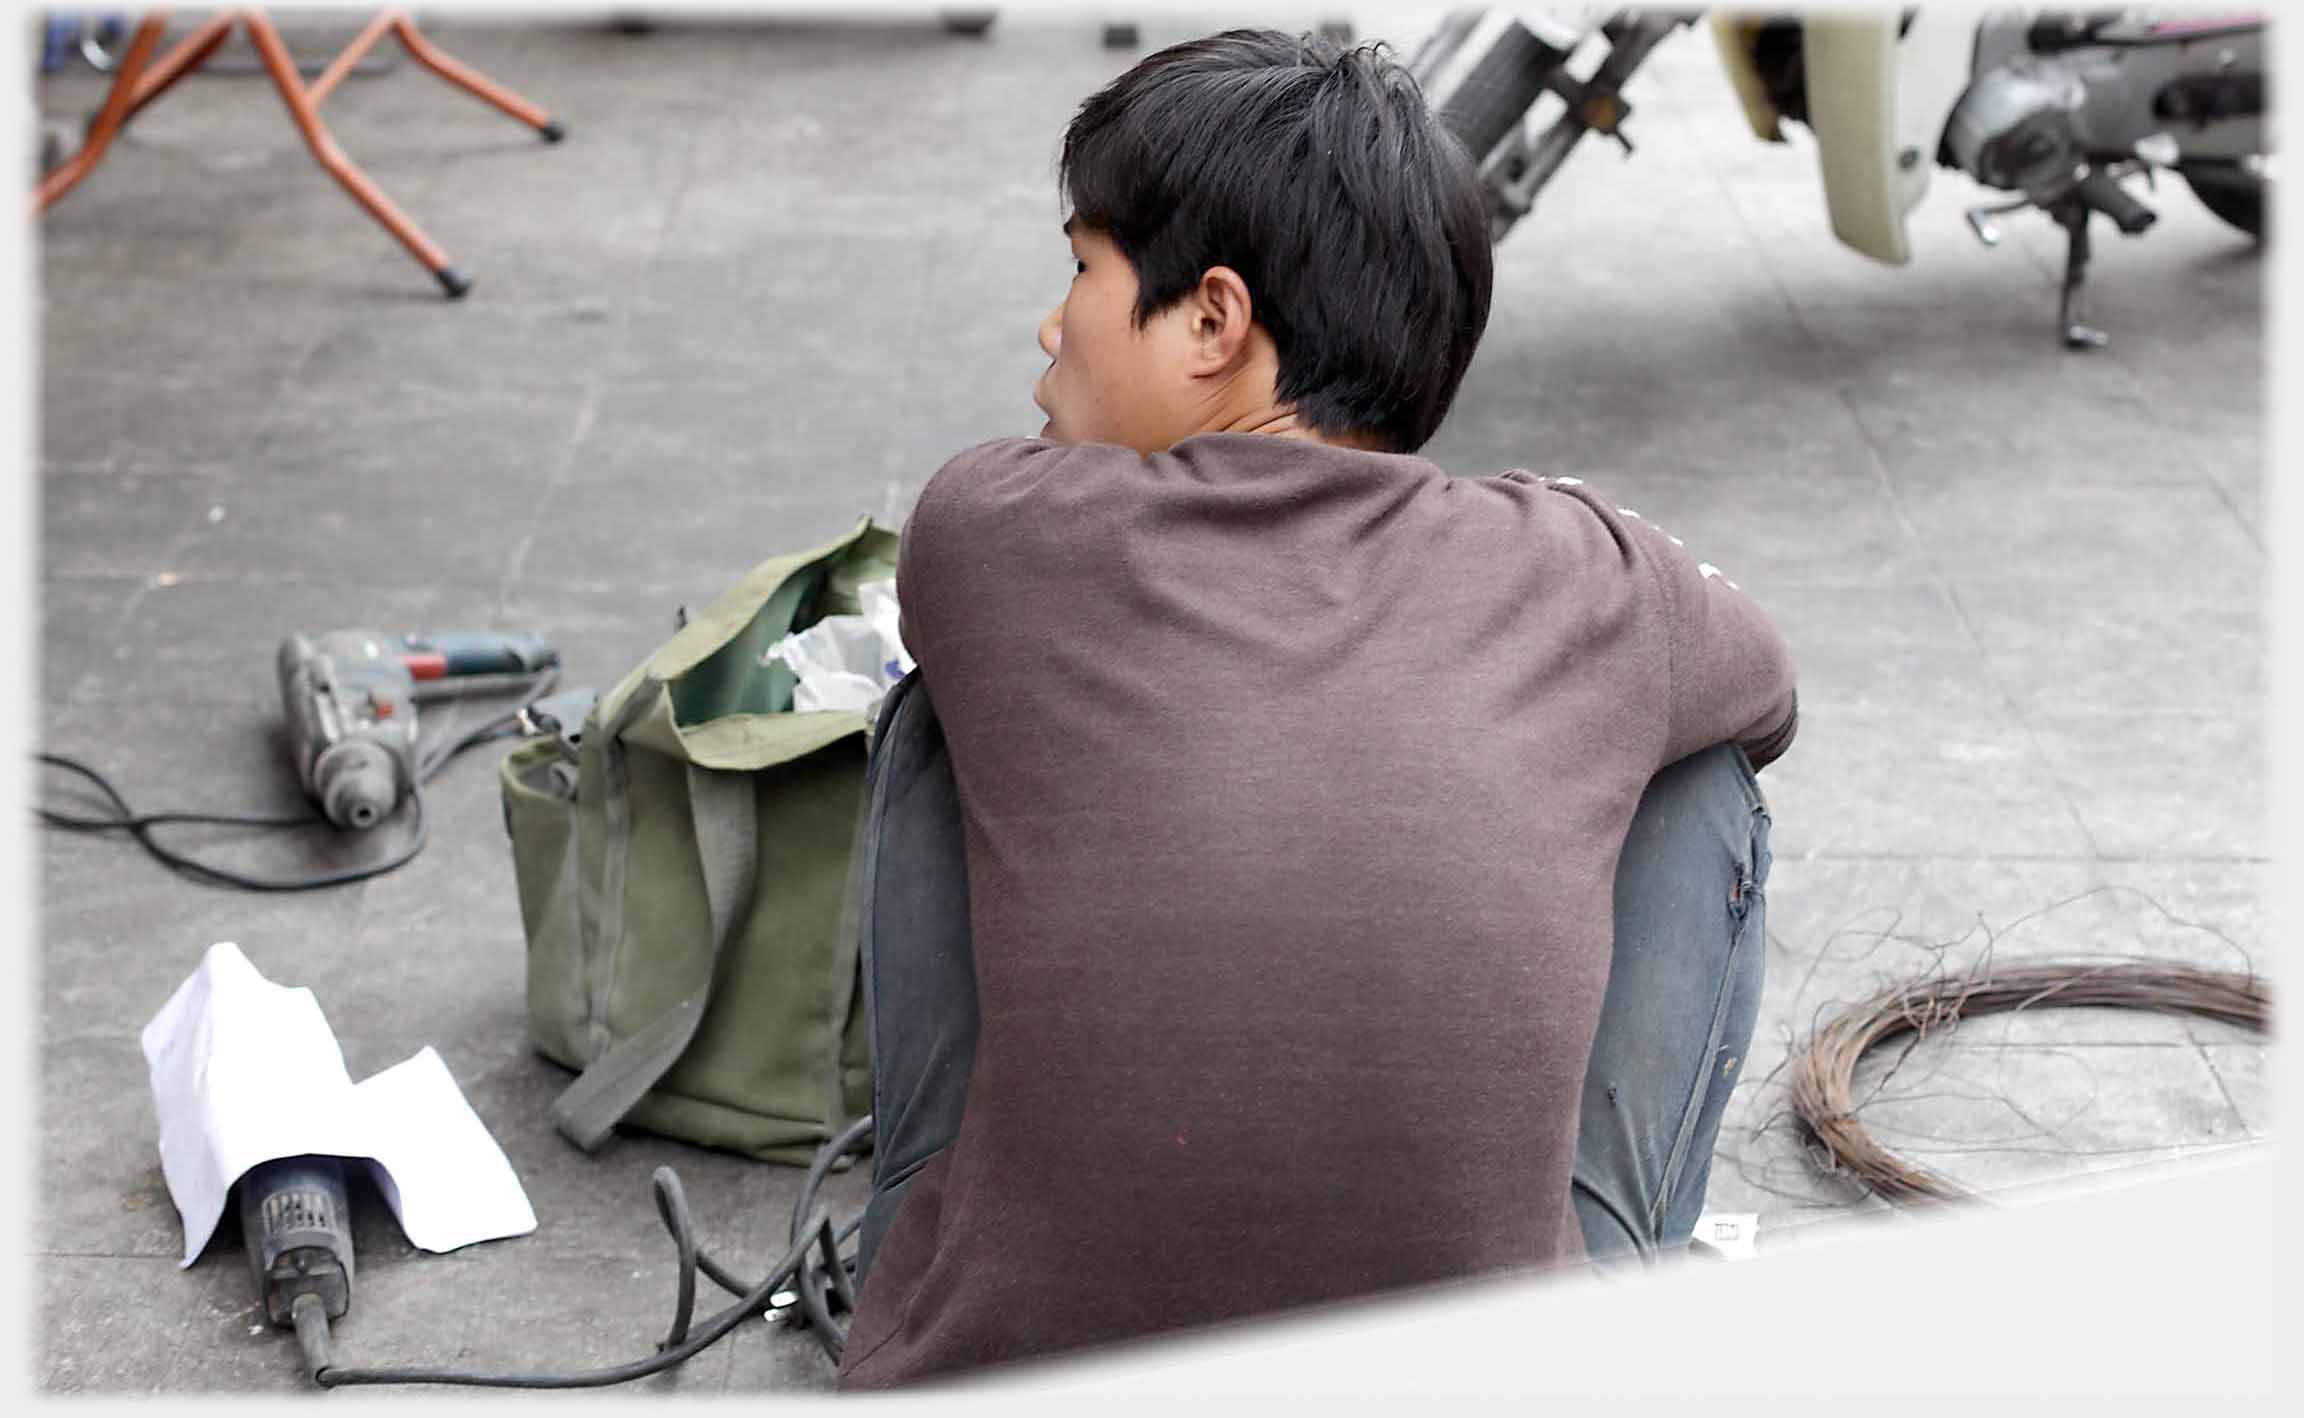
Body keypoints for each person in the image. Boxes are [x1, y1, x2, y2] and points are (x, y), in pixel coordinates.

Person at [837, 28, 1797, 1389]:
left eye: (1082, 273)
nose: (1051, 329)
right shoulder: (1591, 577)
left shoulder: (991, 534)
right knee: (1700, 777)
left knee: (942, 718)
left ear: (1215, 321)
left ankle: (927, 1261)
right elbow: (1767, 683)